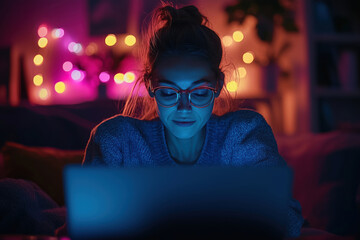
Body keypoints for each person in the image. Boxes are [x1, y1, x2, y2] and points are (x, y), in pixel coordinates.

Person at [80, 2, 304, 238]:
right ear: (150, 86)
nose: (184, 108)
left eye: (199, 92)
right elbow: (91, 224)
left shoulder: (244, 136)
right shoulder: (117, 140)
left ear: (218, 85)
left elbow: (285, 218)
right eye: (169, 91)